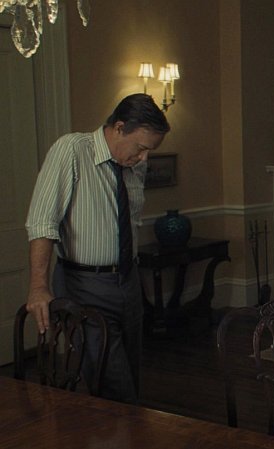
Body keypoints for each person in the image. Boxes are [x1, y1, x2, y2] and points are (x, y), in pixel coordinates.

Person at [25, 93, 170, 403]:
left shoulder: (132, 165)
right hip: (84, 285)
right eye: (141, 147)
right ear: (119, 127)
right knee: (112, 382)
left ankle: (123, 428)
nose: (144, 157)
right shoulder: (72, 151)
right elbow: (42, 222)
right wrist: (38, 286)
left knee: (130, 376)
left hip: (128, 282)